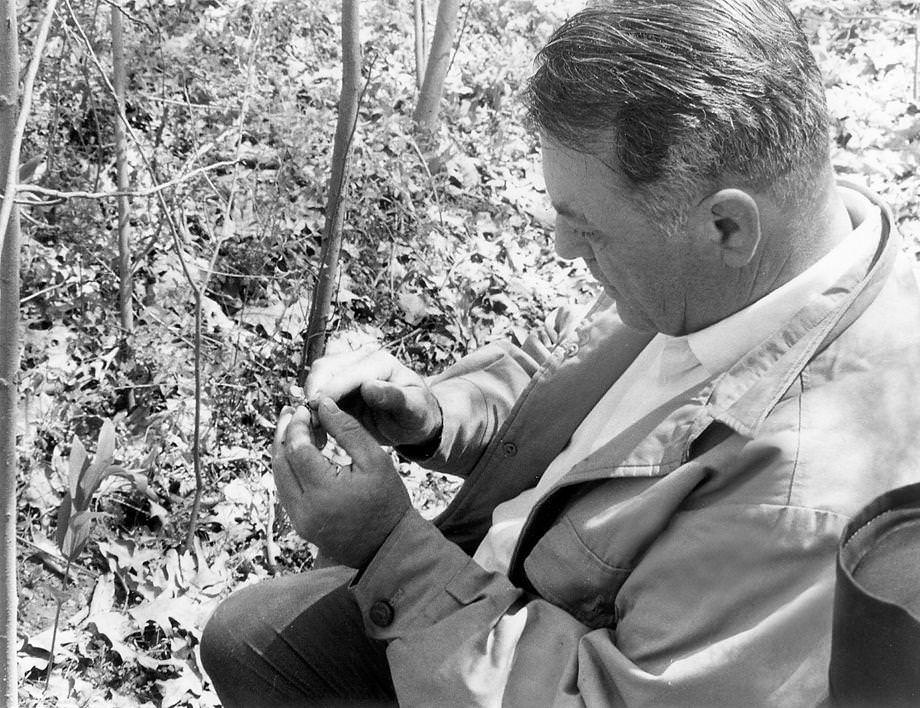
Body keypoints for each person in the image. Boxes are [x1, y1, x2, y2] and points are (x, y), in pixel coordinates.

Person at [200, 1, 920, 705]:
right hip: (498, 585)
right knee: (249, 635)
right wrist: (439, 414)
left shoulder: (798, 507)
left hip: (523, 653)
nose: (562, 248)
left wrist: (391, 550)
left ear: (728, 226)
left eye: (588, 230)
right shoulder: (757, 261)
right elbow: (574, 374)